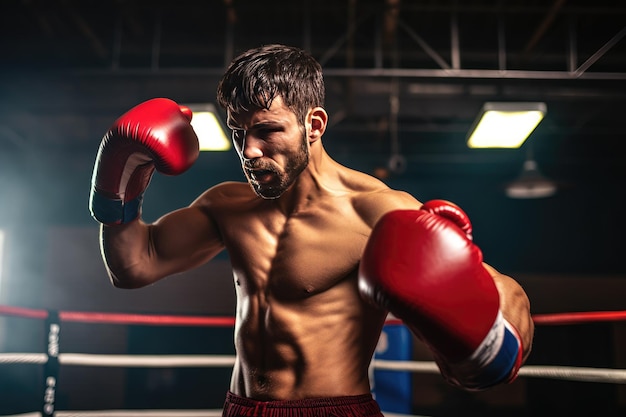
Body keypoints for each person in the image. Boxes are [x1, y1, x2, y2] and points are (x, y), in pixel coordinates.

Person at [89, 44, 534, 416]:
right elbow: (134, 267)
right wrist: (120, 180)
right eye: (238, 131)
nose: (249, 150)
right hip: (241, 408)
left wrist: (487, 346)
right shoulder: (227, 205)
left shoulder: (375, 210)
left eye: (267, 130)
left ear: (314, 125)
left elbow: (507, 293)